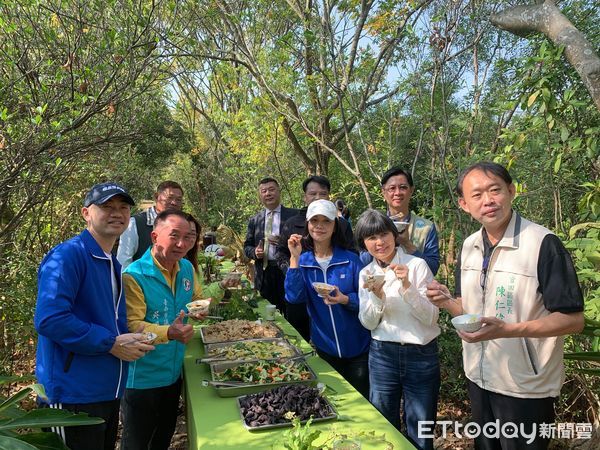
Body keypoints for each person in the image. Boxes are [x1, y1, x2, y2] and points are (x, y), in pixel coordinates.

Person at [426, 162, 585, 450]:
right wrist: (447, 302)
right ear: (464, 204)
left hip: (525, 386)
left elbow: (572, 319)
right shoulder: (470, 245)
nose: (488, 200)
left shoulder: (542, 243)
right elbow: (470, 310)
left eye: (495, 190)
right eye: (476, 195)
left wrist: (510, 330)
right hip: (479, 376)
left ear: (511, 191)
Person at [34, 182, 154, 450]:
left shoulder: (111, 261)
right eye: (107, 207)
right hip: (71, 396)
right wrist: (110, 343)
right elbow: (49, 319)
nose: (117, 213)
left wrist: (127, 340)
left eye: (123, 207)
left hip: (106, 390)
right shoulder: (68, 256)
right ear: (86, 213)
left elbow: (106, 322)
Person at [120, 210, 222, 450]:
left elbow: (195, 297)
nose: (181, 244)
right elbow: (133, 325)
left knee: (162, 438)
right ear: (155, 236)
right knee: (136, 443)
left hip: (174, 371)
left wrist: (201, 308)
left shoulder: (185, 267)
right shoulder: (134, 275)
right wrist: (170, 333)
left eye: (188, 237)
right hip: (143, 378)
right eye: (174, 235)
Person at [355, 209, 439, 450]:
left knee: (421, 430)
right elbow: (369, 323)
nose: (379, 242)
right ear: (364, 243)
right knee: (384, 426)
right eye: (371, 238)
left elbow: (431, 318)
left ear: (394, 235)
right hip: (382, 356)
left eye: (383, 234)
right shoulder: (366, 274)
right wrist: (378, 298)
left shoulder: (418, 265)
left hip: (420, 356)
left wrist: (407, 286)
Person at [285, 200, 370, 398]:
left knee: (362, 402)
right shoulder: (304, 262)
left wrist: (345, 300)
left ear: (335, 226)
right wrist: (294, 259)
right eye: (314, 220)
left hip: (359, 348)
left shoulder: (350, 259)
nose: (320, 226)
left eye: (326, 221)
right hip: (325, 348)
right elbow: (294, 297)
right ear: (307, 225)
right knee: (334, 401)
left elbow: (368, 301)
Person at [275, 175, 355, 341]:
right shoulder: (291, 223)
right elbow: (281, 252)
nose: (317, 197)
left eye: (323, 194)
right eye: (313, 194)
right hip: (301, 287)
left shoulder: (342, 224)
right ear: (305, 197)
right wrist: (292, 271)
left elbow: (352, 252)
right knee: (300, 337)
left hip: (336, 293)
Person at [361, 167, 440, 275]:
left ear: (411, 190)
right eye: (392, 188)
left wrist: (407, 244)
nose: (397, 193)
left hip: (416, 288)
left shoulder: (426, 227)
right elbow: (362, 262)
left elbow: (433, 269)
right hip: (380, 288)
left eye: (403, 187)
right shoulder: (373, 225)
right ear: (383, 192)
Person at [243, 177, 298, 313]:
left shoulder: (294, 215)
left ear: (279, 192)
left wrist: (284, 242)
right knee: (266, 312)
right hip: (264, 274)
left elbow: (304, 243)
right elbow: (247, 246)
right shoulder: (255, 220)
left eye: (272, 190)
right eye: (264, 191)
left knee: (290, 312)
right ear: (260, 195)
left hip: (286, 271)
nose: (268, 193)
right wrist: (255, 252)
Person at [117, 180, 184, 269]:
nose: (174, 203)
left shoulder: (182, 225)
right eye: (169, 197)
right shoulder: (135, 223)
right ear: (156, 197)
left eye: (178, 200)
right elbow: (123, 261)